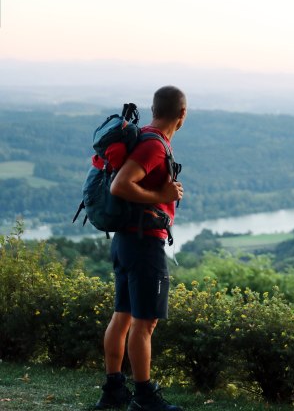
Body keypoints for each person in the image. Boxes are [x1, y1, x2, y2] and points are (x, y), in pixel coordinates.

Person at [95, 86, 186, 411]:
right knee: (145, 323)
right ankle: (144, 397)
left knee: (123, 316)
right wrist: (163, 197)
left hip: (125, 242)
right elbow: (121, 185)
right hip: (143, 242)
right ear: (182, 114)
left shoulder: (144, 136)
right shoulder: (155, 147)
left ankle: (114, 391)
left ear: (153, 110)